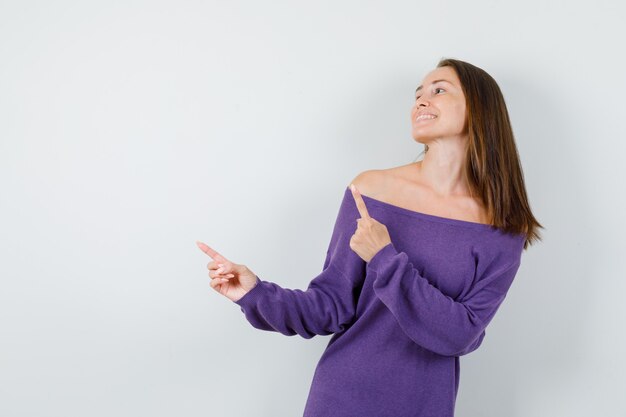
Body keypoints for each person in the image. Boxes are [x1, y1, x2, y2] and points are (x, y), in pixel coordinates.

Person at [196, 57, 544, 417]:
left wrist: (384, 258)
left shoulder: (503, 226)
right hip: (341, 396)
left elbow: (461, 335)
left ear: (481, 109)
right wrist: (255, 294)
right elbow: (330, 306)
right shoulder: (371, 190)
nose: (422, 101)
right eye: (418, 94)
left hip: (424, 404)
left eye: (439, 90)